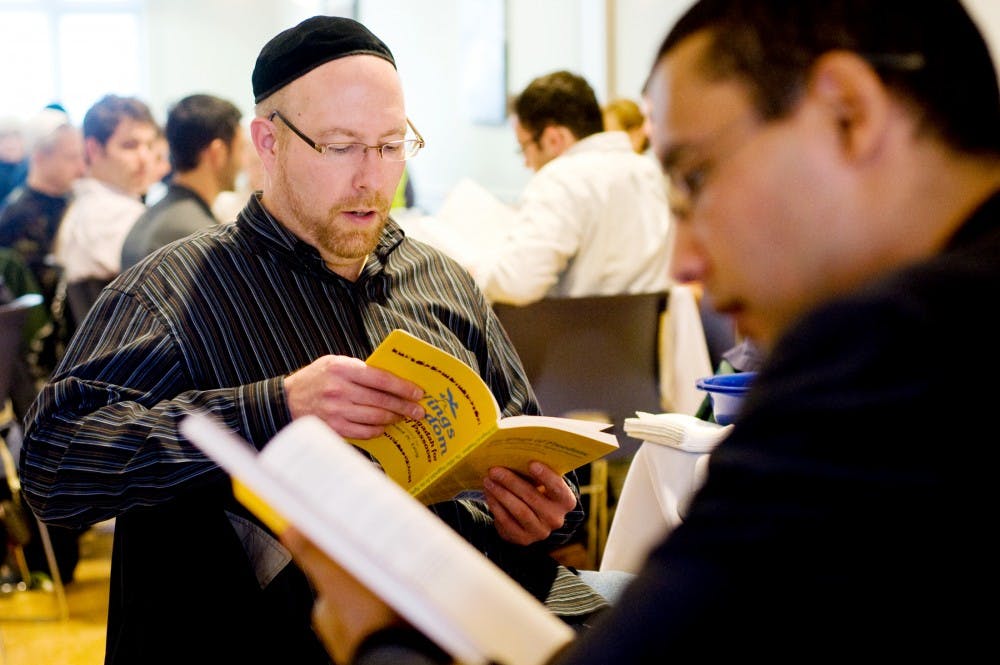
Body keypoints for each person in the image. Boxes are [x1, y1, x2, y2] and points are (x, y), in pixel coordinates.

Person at [276, 0, 1000, 662]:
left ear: (849, 114)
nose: (684, 257)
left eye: (694, 178)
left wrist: (382, 635)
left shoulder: (888, 356)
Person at [19, 16, 606, 665]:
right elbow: (52, 465)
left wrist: (549, 507)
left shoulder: (440, 281)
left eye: (390, 146)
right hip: (274, 635)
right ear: (267, 143)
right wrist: (275, 408)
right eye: (341, 146)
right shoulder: (172, 290)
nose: (372, 179)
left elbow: (522, 438)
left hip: (468, 611)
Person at [473, 70, 673, 305]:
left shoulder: (560, 179)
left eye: (523, 147)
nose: (526, 163)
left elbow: (517, 284)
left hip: (577, 335)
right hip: (646, 337)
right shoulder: (650, 172)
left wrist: (475, 272)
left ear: (553, 139)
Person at [53, 94, 158, 323]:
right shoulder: (112, 214)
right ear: (93, 149)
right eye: (129, 146)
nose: (145, 158)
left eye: (149, 145)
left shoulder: (82, 206)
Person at [0, 108, 86, 376]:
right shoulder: (17, 216)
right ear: (40, 157)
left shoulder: (73, 201)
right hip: (41, 352)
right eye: (71, 157)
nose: (81, 167)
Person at [120, 93, 245, 271]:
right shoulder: (198, 235)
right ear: (217, 153)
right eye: (240, 149)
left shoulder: (148, 218)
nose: (242, 163)